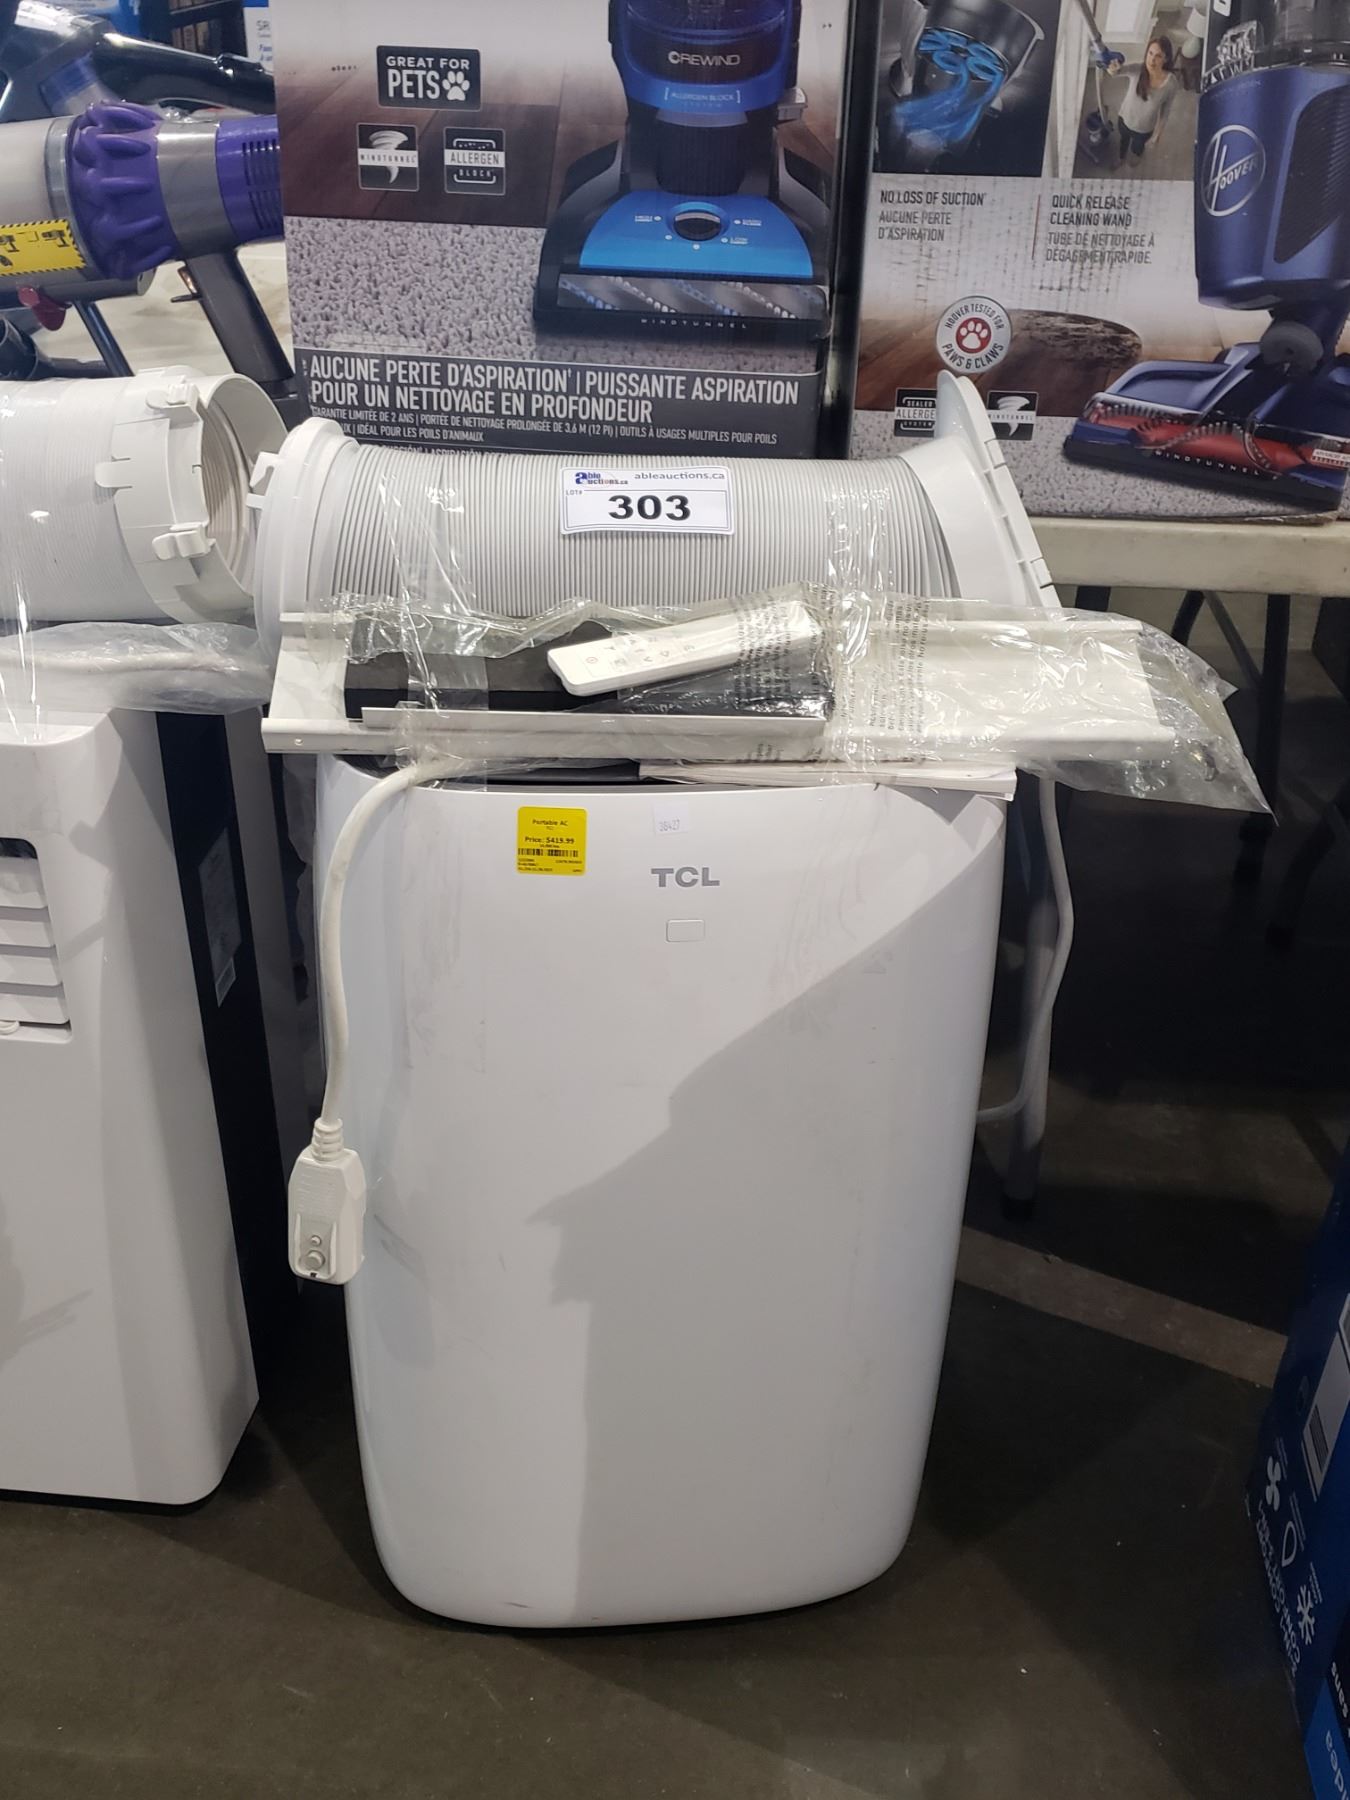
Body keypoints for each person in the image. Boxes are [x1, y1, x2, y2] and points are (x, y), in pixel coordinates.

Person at [1113, 34, 1179, 164]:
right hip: (1125, 120)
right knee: (1123, 142)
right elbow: (1118, 72)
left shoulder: (1171, 84)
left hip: (1144, 129)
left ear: (1166, 59)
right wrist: (1113, 68)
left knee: (1137, 148)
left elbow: (1165, 111)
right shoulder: (1137, 69)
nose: (1152, 60)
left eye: (1158, 56)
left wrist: (1157, 135)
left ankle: (1136, 158)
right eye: (1150, 53)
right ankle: (1121, 158)